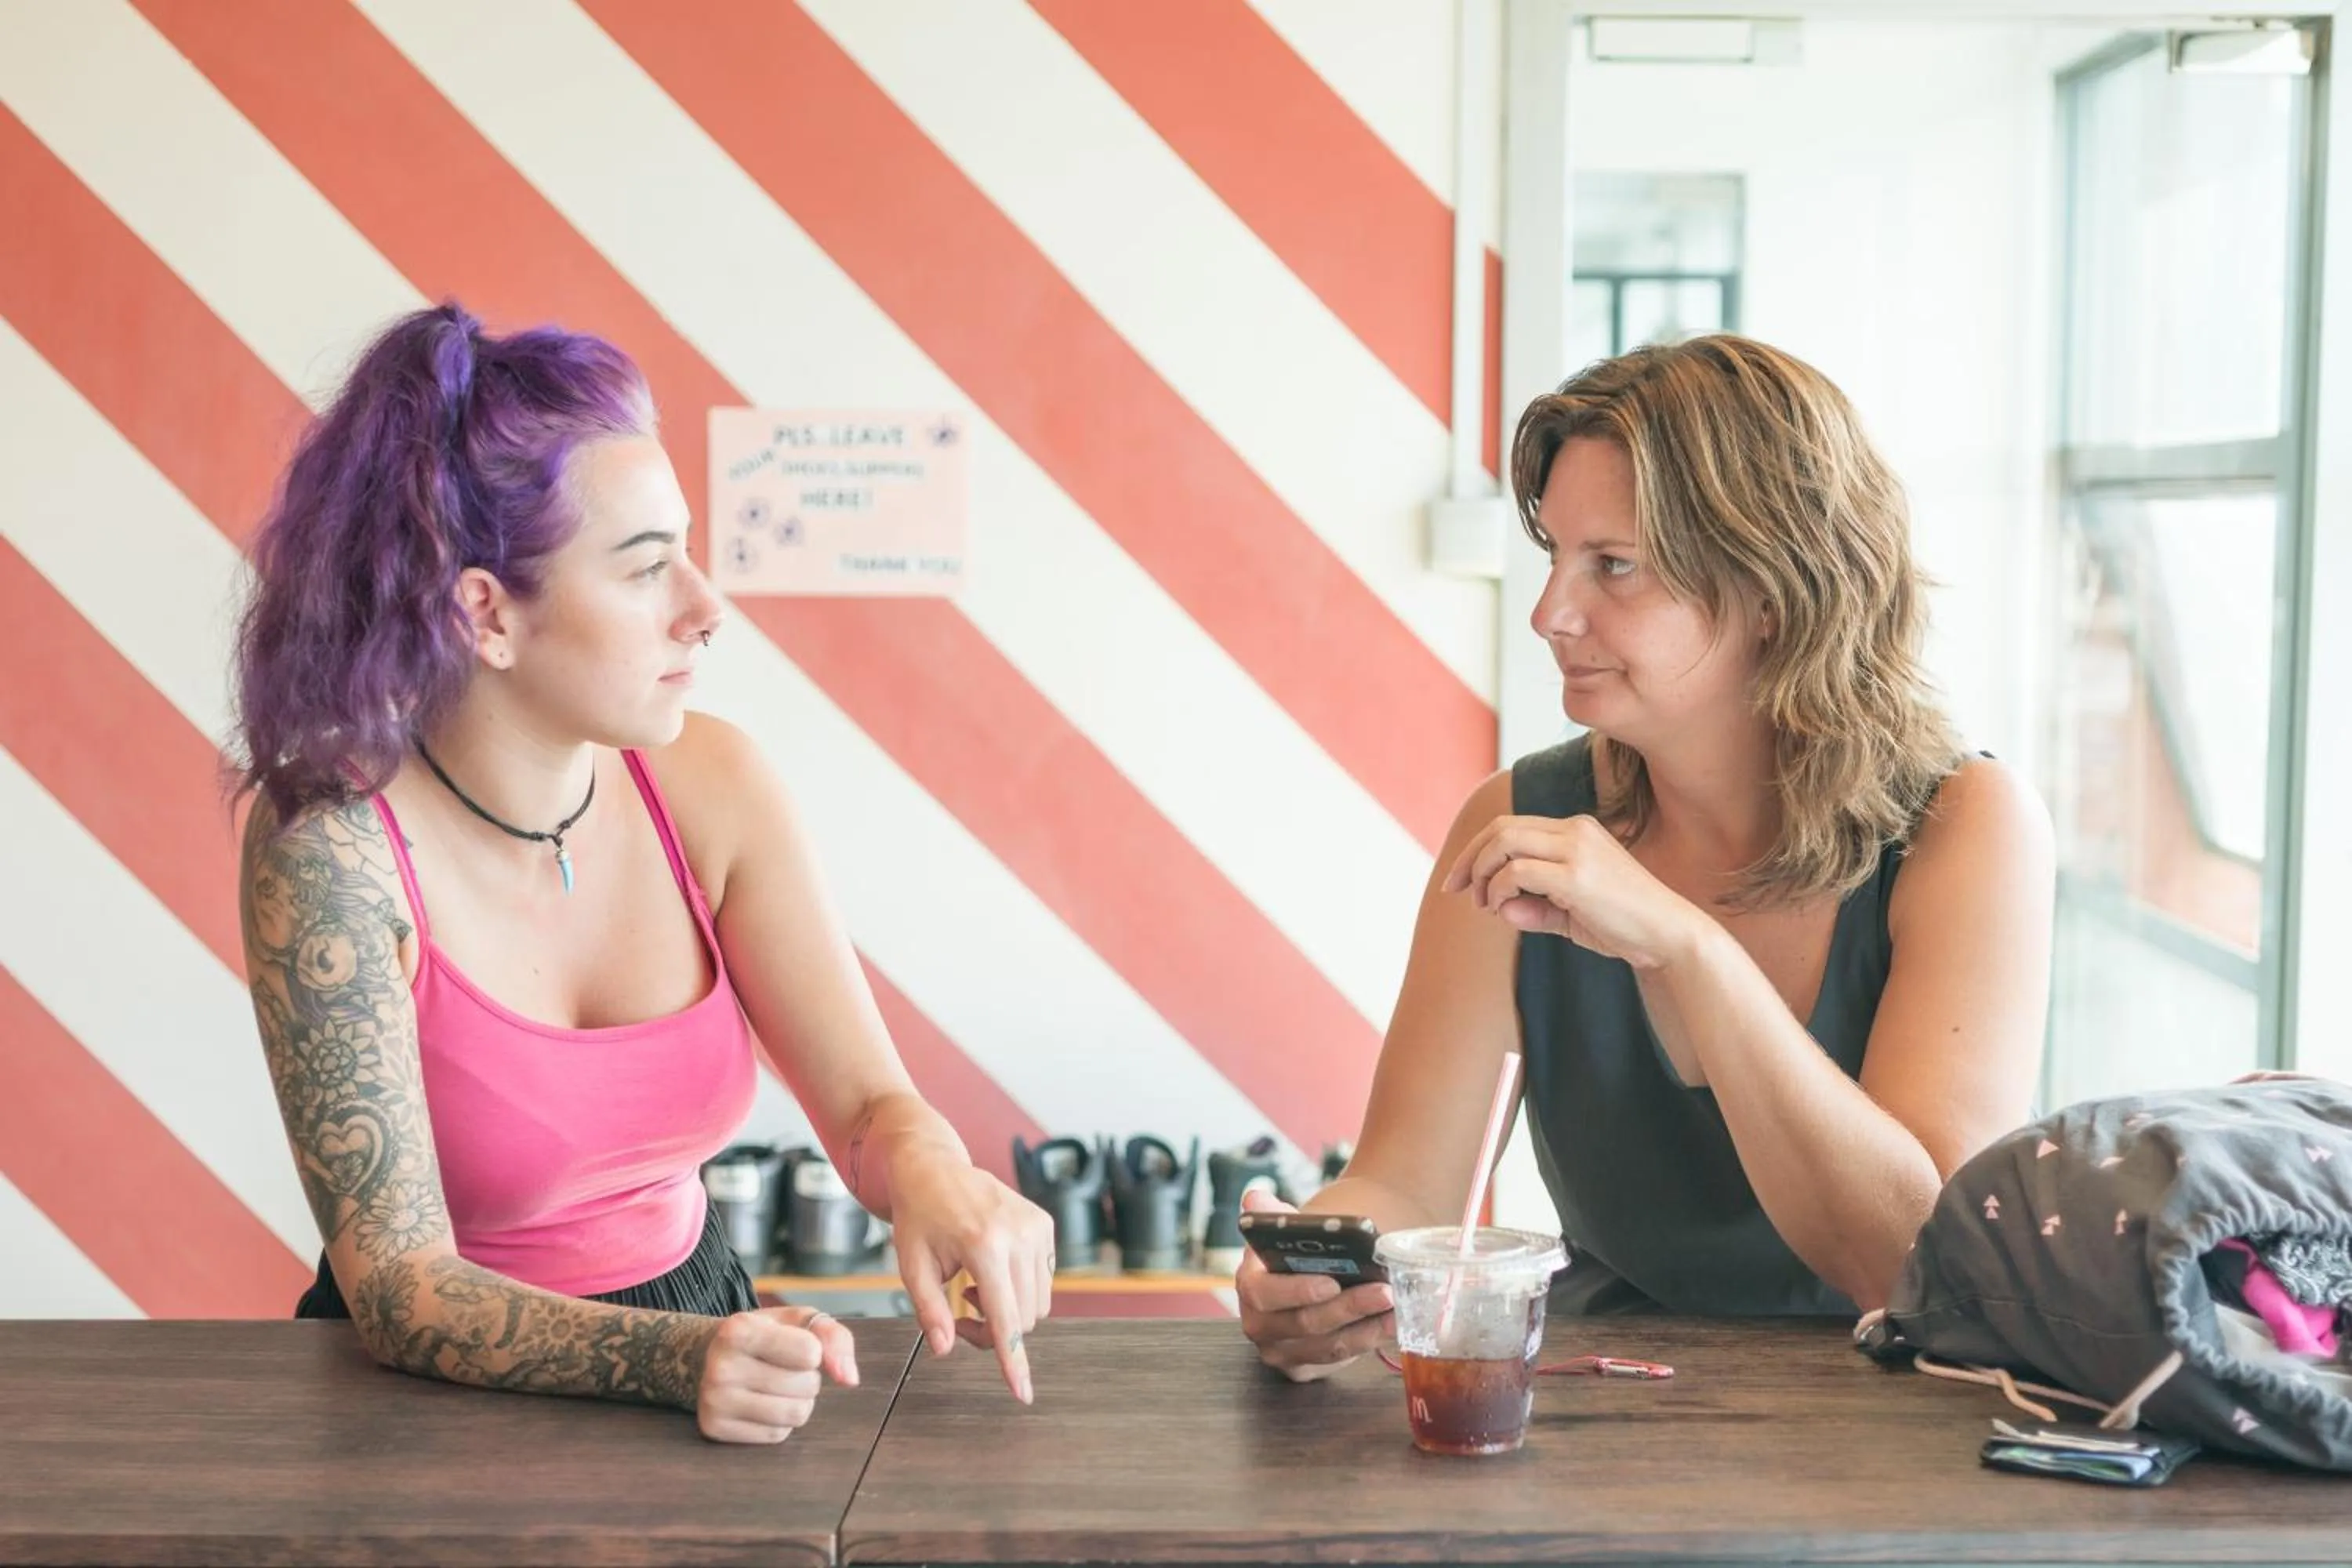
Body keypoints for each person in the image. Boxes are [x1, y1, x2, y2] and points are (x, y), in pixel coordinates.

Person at [234, 303, 1054, 1441]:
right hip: (426, 1408)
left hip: (698, 1330)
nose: (706, 609)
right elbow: (401, 1288)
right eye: (646, 569)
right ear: (488, 614)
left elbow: (867, 1108)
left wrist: (931, 1171)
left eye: (691, 553)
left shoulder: (715, 784)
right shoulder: (330, 848)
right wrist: (675, 1360)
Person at [1239, 335, 2054, 1378]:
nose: (1549, 614)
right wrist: (1318, 1275)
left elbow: (1912, 1265)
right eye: (1555, 558)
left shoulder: (1967, 825)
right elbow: (1404, 1186)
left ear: (1773, 589)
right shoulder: (1522, 819)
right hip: (1604, 1410)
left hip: (1896, 1418)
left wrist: (1686, 949)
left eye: (1613, 566)